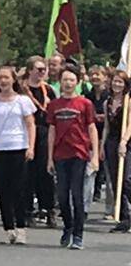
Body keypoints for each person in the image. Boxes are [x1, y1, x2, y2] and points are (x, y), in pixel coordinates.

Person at [0, 65, 37, 244]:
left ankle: (21, 227)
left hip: (18, 147)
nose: (3, 81)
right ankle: (8, 228)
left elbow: (30, 125)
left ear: (13, 80)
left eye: (6, 77)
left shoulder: (23, 101)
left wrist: (31, 146)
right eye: (0, 78)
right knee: (2, 190)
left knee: (18, 189)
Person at [46, 68, 97, 250]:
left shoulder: (85, 104)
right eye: (65, 80)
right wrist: (49, 158)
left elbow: (92, 129)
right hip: (60, 154)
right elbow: (51, 131)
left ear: (77, 82)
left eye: (72, 80)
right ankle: (68, 226)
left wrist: (95, 156)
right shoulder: (54, 105)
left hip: (79, 154)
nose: (68, 83)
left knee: (77, 195)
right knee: (62, 194)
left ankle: (78, 234)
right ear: (60, 82)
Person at [22, 56, 58, 228]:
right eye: (39, 69)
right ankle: (27, 210)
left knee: (45, 172)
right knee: (27, 173)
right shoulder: (22, 89)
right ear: (30, 70)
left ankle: (48, 208)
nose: (42, 72)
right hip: (25, 132)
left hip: (43, 131)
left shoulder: (48, 90)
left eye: (44, 69)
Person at [103, 72, 131, 232]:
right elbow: (107, 125)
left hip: (126, 141)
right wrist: (102, 146)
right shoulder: (108, 102)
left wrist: (124, 142)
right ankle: (124, 218)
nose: (117, 85)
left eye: (121, 82)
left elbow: (130, 124)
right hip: (111, 142)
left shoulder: (128, 102)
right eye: (115, 81)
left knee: (125, 180)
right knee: (115, 181)